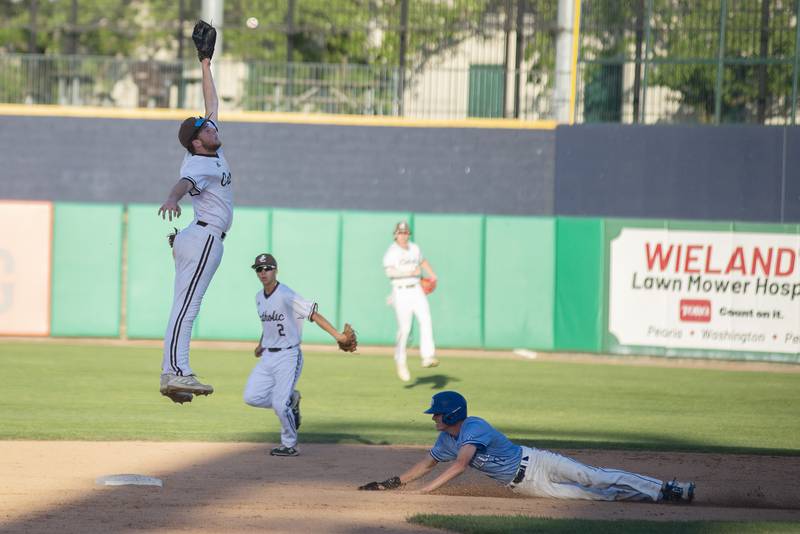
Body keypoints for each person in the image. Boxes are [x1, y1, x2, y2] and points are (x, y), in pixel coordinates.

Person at [358, 391, 696, 503]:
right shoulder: (446, 438)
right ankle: (656, 496)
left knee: (595, 477)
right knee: (598, 496)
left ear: (453, 414)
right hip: (528, 486)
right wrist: (396, 483)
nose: (433, 418)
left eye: (437, 414)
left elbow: (460, 466)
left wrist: (426, 493)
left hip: (538, 462)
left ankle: (666, 487)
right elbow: (427, 463)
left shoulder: (474, 426)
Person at [158, 49, 232, 404]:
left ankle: (175, 373)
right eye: (206, 127)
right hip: (203, 236)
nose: (212, 125)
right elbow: (183, 184)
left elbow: (211, 100)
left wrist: (205, 64)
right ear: (196, 142)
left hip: (199, 236)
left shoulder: (209, 149)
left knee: (184, 306)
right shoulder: (197, 165)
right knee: (187, 307)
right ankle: (175, 371)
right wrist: (172, 199)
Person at [245, 253, 355, 457]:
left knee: (279, 403)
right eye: (259, 269)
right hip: (268, 355)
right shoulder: (259, 297)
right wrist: (261, 344)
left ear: (275, 270)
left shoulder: (287, 294)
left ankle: (290, 444)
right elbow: (269, 324)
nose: (263, 272)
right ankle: (291, 400)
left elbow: (313, 315)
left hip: (289, 356)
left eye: (267, 268)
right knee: (251, 397)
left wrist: (338, 336)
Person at [382, 221, 438, 382]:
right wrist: (409, 272)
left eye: (406, 232)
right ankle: (400, 360)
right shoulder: (391, 252)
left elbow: (422, 261)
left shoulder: (414, 248)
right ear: (395, 234)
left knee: (426, 319)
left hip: (416, 288)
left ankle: (428, 356)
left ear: (409, 234)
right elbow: (390, 272)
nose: (403, 235)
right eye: (400, 232)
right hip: (401, 291)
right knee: (405, 329)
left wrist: (432, 274)